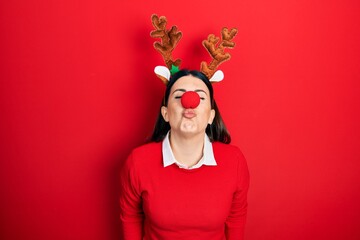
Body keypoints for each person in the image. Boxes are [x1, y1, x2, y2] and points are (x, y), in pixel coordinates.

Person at [119, 69, 250, 240]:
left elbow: (236, 218)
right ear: (165, 113)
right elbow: (130, 217)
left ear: (211, 116)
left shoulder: (234, 161)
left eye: (201, 97)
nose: (190, 102)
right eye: (179, 96)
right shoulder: (138, 161)